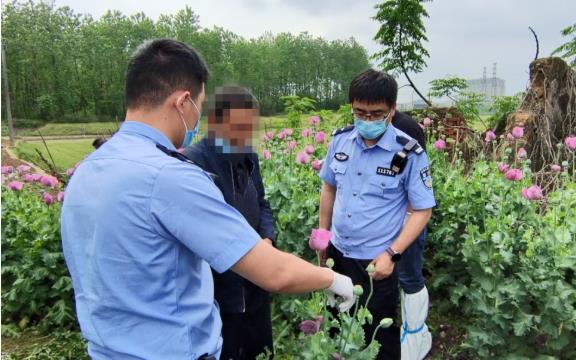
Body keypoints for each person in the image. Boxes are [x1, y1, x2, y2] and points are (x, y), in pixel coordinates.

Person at [60, 38, 355, 360]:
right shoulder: (168, 175)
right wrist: (332, 278)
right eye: (199, 105)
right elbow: (275, 273)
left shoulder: (89, 169)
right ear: (183, 102)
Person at [318, 69, 436, 360]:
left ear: (392, 110)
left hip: (377, 262)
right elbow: (329, 188)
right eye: (360, 112)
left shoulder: (409, 152)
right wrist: (322, 236)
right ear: (352, 108)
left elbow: (423, 210)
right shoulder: (341, 141)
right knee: (337, 326)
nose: (367, 120)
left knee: (377, 338)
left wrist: (392, 254)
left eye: (376, 113)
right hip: (339, 254)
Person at [184, 86, 275, 360]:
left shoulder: (248, 156)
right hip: (222, 290)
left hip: (257, 283)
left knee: (260, 351)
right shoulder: (194, 162)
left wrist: (267, 238)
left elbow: (261, 202)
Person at [391, 110, 434, 359]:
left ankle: (416, 337)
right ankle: (406, 330)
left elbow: (419, 175)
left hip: (409, 216)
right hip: (387, 218)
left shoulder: (407, 127)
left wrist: (408, 219)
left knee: (409, 276)